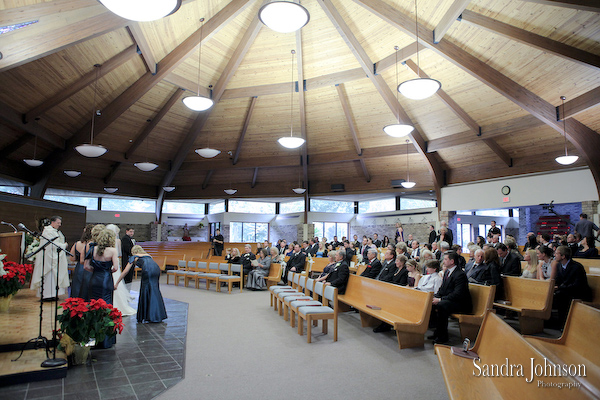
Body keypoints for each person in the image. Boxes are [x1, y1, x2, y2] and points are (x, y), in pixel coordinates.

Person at [116, 245, 167, 324]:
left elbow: (125, 271)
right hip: (156, 269)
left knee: (146, 289)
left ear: (134, 252)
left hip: (147, 270)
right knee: (154, 289)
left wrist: (117, 282)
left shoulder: (134, 257)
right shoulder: (148, 255)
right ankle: (158, 314)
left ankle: (150, 315)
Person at [86, 227, 118, 348]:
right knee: (106, 307)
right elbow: (115, 267)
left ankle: (92, 337)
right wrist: (106, 271)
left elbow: (86, 266)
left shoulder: (93, 249)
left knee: (93, 306)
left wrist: (96, 270)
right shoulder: (113, 251)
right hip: (106, 280)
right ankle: (105, 340)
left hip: (94, 279)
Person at [429, 251, 471, 344]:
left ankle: (442, 337)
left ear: (452, 261)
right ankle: (437, 331)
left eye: (445, 259)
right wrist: (435, 296)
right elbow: (442, 289)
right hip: (450, 300)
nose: (443, 261)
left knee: (441, 305)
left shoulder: (460, 274)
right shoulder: (447, 272)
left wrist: (440, 299)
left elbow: (458, 294)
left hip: (460, 303)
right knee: (430, 302)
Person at [31, 216, 69, 300]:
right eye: (58, 223)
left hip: (54, 258)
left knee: (54, 277)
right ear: (53, 222)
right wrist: (64, 245)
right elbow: (52, 246)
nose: (59, 225)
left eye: (60, 223)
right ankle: (46, 295)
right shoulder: (48, 231)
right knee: (48, 277)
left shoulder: (55, 231)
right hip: (48, 259)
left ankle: (52, 295)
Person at [553, 246, 591, 326]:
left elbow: (578, 284)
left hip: (578, 292)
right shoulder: (559, 265)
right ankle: (561, 323)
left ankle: (565, 325)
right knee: (557, 295)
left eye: (556, 253)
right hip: (565, 291)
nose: (554, 255)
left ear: (563, 256)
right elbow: (558, 280)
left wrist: (560, 287)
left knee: (561, 296)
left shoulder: (577, 267)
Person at [105, 224, 135, 316]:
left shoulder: (104, 243)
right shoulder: (118, 241)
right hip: (115, 262)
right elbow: (119, 253)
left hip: (107, 262)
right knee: (116, 281)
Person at [69, 224, 93, 300]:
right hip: (89, 267)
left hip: (79, 268)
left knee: (77, 287)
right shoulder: (92, 245)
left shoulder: (77, 244)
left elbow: (72, 258)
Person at [121, 227, 136, 292]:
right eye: (130, 231)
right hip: (127, 260)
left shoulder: (129, 239)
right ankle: (126, 292)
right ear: (126, 231)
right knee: (127, 278)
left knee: (129, 278)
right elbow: (128, 250)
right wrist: (135, 252)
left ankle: (128, 292)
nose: (132, 233)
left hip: (130, 260)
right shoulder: (125, 239)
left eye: (133, 232)